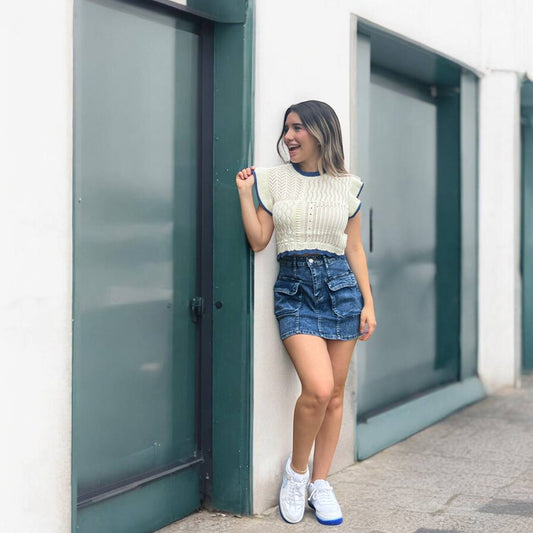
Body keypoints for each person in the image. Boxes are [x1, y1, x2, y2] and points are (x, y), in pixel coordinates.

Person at [235, 100, 376, 526]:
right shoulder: (273, 180)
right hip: (295, 289)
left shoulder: (347, 185)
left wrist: (368, 302)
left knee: (334, 396)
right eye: (286, 128)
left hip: (341, 289)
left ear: (321, 133)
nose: (289, 137)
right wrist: (246, 195)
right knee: (317, 388)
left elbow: (353, 246)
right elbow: (260, 239)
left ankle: (321, 482)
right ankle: (296, 474)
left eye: (298, 128)